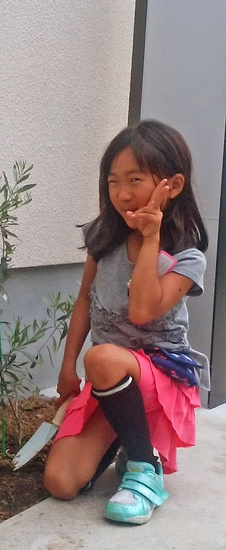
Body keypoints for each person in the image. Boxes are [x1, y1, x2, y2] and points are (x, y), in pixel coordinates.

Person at [42, 119, 209, 525]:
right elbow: (85, 300)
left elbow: (141, 312)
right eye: (113, 181)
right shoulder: (104, 237)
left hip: (159, 376)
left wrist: (151, 239)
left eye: (135, 179)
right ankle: (131, 441)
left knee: (102, 358)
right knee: (61, 482)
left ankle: (143, 469)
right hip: (111, 378)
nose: (122, 193)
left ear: (172, 185)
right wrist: (66, 372)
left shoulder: (188, 257)